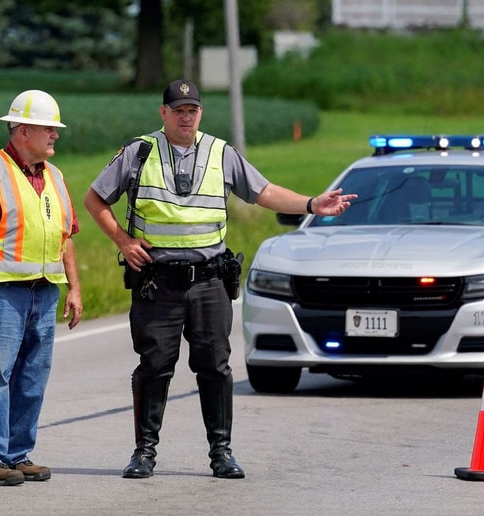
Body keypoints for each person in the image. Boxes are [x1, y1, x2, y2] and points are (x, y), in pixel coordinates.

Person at [84, 79, 355, 479]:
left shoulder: (220, 152)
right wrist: (123, 242)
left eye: (192, 109)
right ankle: (144, 453)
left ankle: (221, 453)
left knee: (215, 366)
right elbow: (95, 199)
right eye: (178, 110)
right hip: (155, 282)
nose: (185, 116)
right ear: (163, 114)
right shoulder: (138, 152)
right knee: (154, 366)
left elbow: (263, 192)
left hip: (208, 280)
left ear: (200, 113)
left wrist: (312, 203)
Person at [0, 89, 83, 486]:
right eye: (48, 129)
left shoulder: (54, 177)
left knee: (31, 378)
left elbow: (67, 236)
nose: (56, 135)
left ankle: (15, 454)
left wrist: (73, 288)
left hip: (44, 292)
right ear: (23, 131)